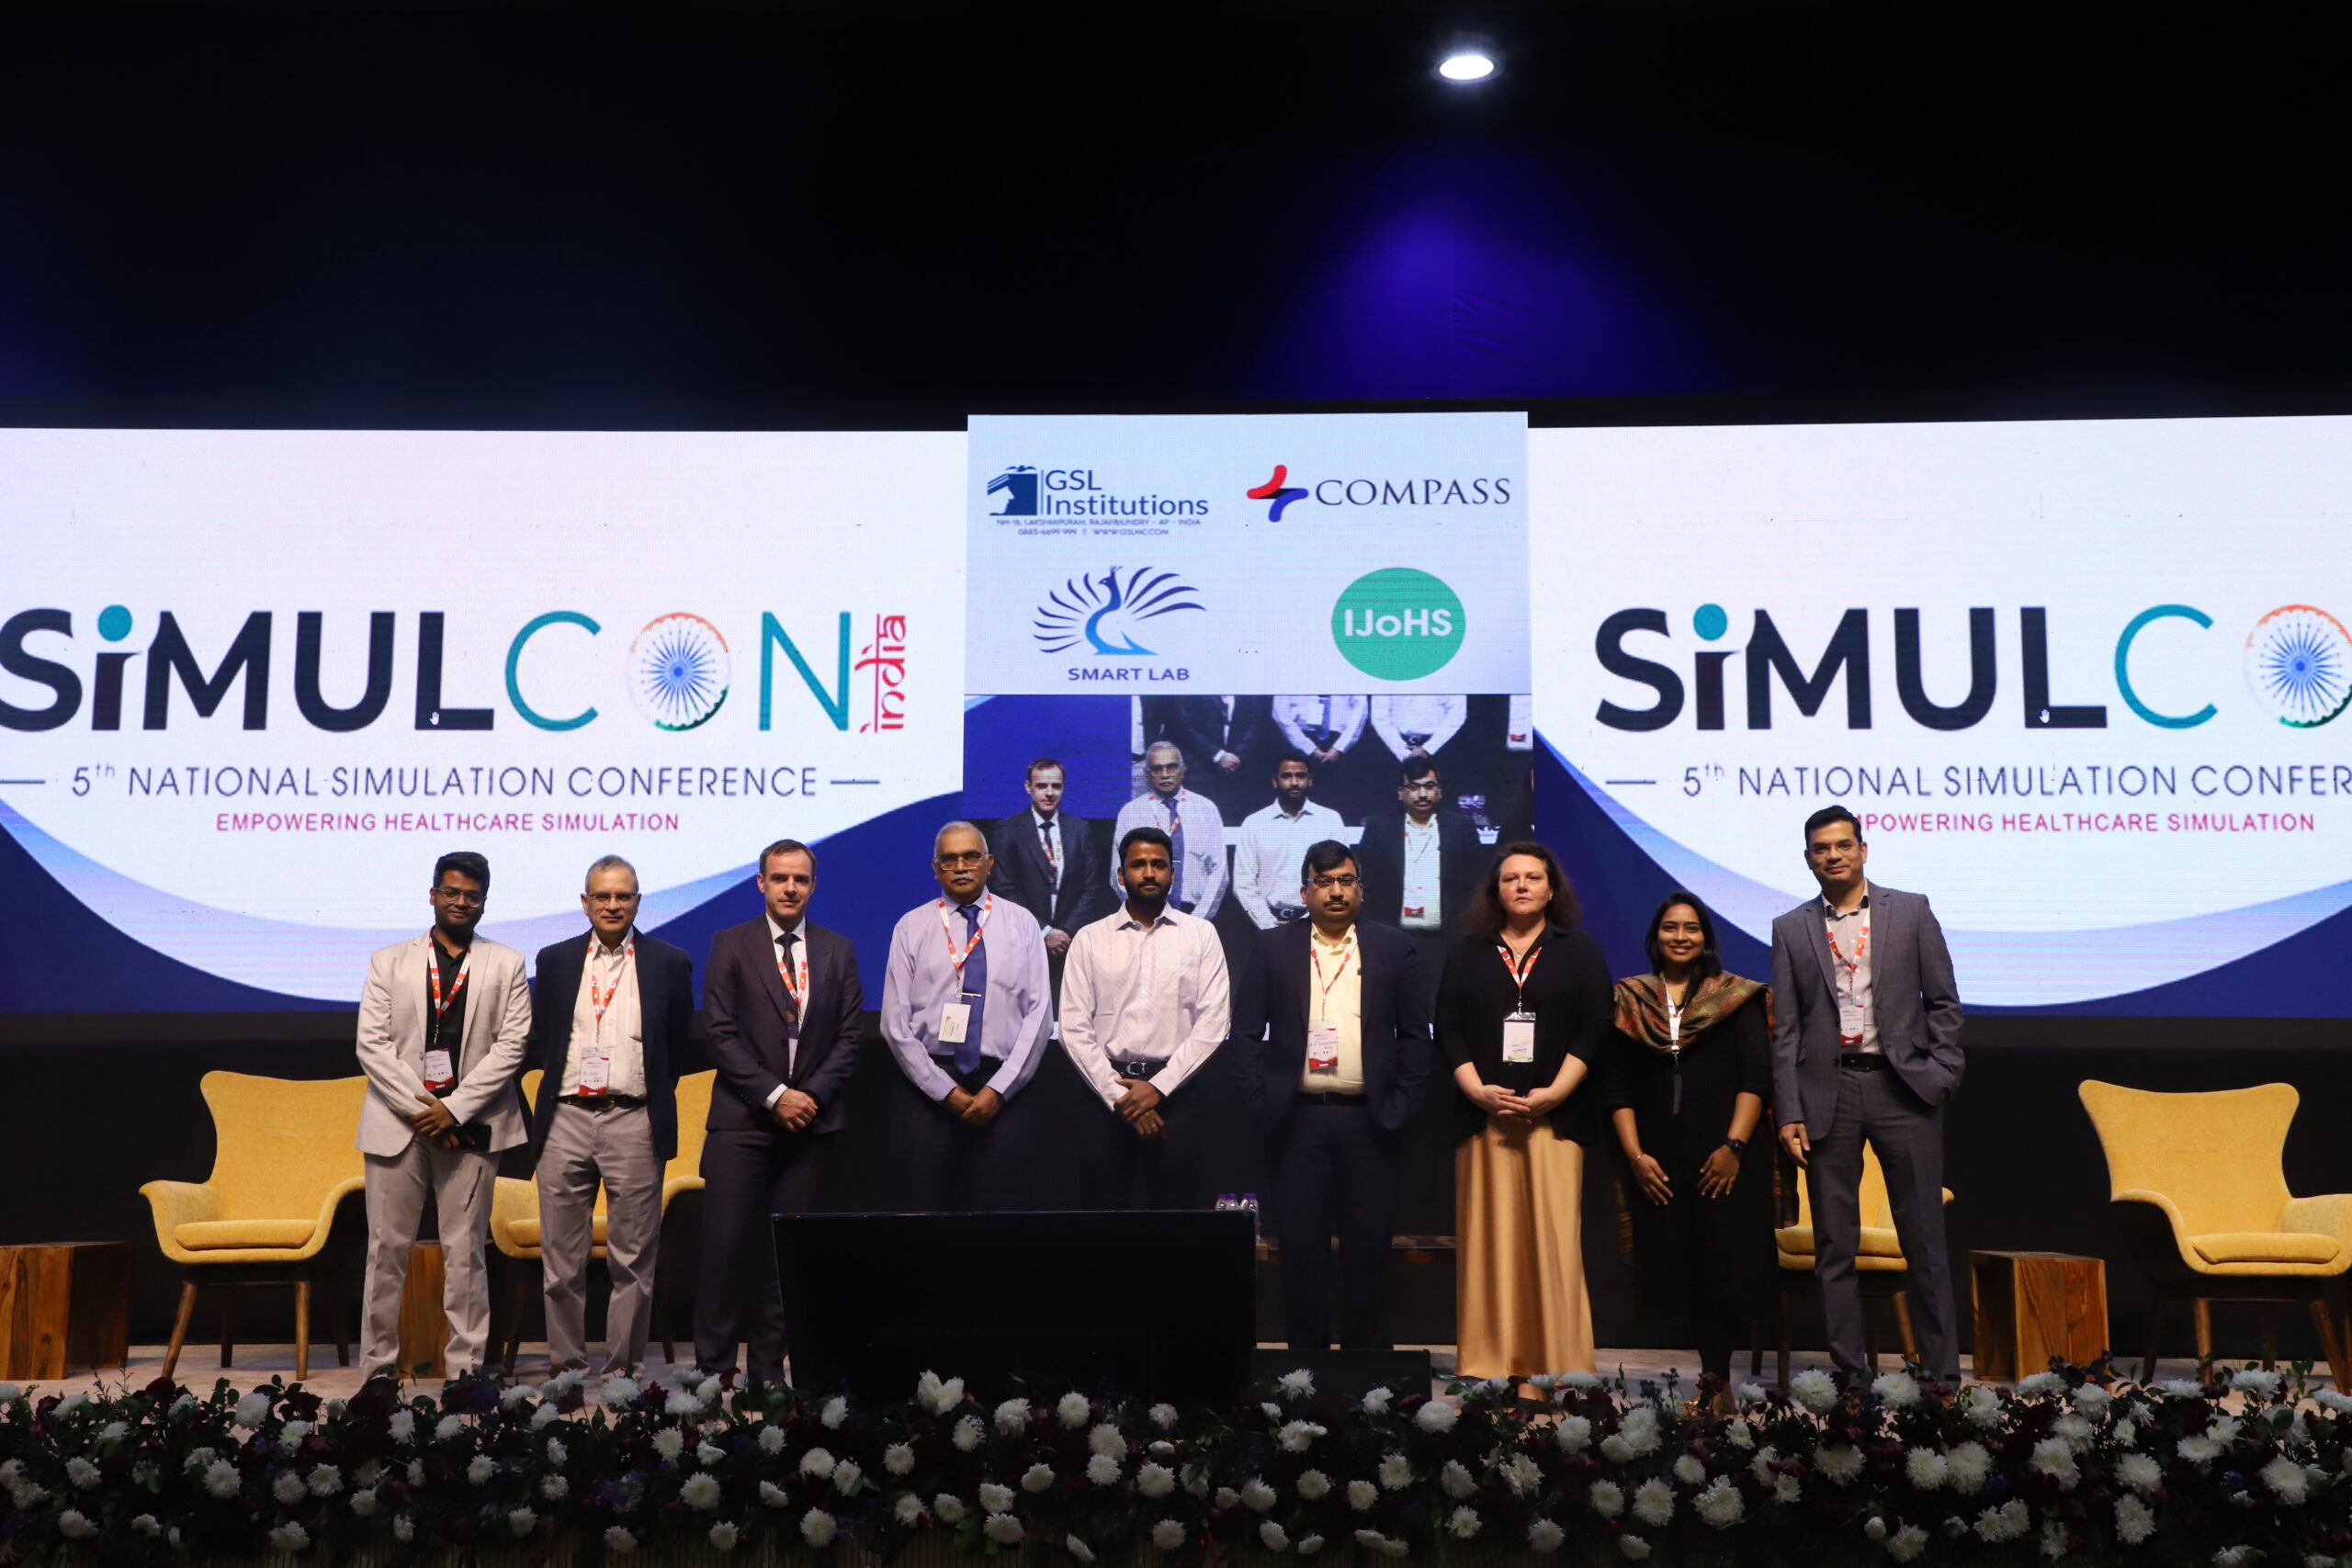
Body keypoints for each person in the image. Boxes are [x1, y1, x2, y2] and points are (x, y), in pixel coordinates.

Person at [1770, 805, 1965, 1379]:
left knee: (1924, 1241)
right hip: (1827, 1094)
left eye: (1842, 845)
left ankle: (1940, 1379)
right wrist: (1789, 1110)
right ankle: (1850, 1381)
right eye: (1821, 849)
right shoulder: (1790, 927)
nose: (1832, 855)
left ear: (1862, 849)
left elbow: (1944, 1003)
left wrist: (1943, 1073)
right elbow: (1786, 1030)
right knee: (1835, 1245)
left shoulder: (1910, 910)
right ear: (1809, 859)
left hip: (1903, 1088)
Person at [1233, 840, 1433, 1349]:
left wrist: (1401, 1105)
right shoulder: (1272, 947)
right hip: (1296, 1121)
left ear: (1361, 889)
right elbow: (1246, 1034)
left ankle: (1370, 1380)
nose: (1336, 891)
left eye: (1346, 880)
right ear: (1305, 892)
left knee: (1369, 1254)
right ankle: (1305, 1378)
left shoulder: (1393, 946)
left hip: (1370, 1120)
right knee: (1302, 1255)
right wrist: (1260, 1101)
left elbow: (1416, 1036)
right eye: (1323, 882)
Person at [352, 851, 531, 1381]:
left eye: (471, 895)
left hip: (472, 1125)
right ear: (433, 895)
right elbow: (371, 1045)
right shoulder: (388, 961)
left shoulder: (508, 962)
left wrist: (453, 1108)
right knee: (386, 1253)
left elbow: (513, 1045)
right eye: (451, 892)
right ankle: (377, 1373)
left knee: (467, 1253)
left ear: (484, 902)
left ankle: (466, 1375)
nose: (460, 902)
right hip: (398, 1126)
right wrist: (425, 1111)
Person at [1436, 840, 1611, 1379]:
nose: (1522, 886)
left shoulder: (1578, 950)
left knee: (1552, 1245)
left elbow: (1597, 1027)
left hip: (1553, 1118)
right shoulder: (1468, 952)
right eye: (1511, 878)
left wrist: (1556, 1092)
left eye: (1533, 877)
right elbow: (1448, 1028)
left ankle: (1558, 1368)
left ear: (1551, 889)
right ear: (1496, 889)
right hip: (1484, 1119)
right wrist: (1476, 1091)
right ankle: (1488, 1367)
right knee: (1490, 1246)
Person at [695, 839, 865, 1383]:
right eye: (780, 878)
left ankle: (768, 1377)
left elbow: (850, 1036)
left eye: (801, 879)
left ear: (813, 886)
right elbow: (719, 1034)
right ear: (761, 883)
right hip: (741, 1123)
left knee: (783, 1257)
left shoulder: (837, 949)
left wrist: (807, 1097)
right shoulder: (731, 944)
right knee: (725, 1251)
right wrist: (775, 1096)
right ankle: (712, 1376)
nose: (790, 888)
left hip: (811, 1126)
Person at [525, 855, 694, 1380]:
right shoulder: (555, 961)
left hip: (634, 1119)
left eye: (623, 896)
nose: (613, 905)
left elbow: (677, 1046)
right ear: (585, 902)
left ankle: (622, 1375)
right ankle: (567, 1374)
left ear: (638, 902)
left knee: (634, 1263)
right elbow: (544, 1039)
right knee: (561, 1263)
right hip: (566, 1118)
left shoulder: (669, 962)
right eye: (603, 896)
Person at [1600, 891, 1774, 1393]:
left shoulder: (1737, 997)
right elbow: (1616, 1088)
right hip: (1658, 1159)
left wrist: (1733, 1148)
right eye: (1670, 927)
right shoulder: (1631, 1000)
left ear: (1706, 937)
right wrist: (1636, 1157)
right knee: (1685, 1270)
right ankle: (1711, 1380)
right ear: (1656, 936)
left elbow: (1756, 1079)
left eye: (1691, 928)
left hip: (1726, 1155)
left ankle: (1717, 1384)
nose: (1680, 937)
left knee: (1724, 1268)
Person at [879, 821, 1054, 1212]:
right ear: (935, 869)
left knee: (1001, 1219)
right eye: (950, 859)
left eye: (971, 857)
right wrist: (944, 1091)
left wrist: (1000, 1089)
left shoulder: (1022, 923)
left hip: (1003, 1091)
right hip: (928, 1092)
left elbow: (1040, 1014)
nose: (961, 866)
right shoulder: (911, 927)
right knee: (923, 1216)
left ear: (989, 864)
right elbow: (893, 1022)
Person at [1059, 826, 1230, 1208]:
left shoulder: (1202, 935)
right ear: (1121, 875)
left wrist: (1158, 1088)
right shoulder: (1090, 938)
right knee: (1100, 1220)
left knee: (1176, 1225)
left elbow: (1213, 1024)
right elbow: (1073, 1028)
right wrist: (1121, 1097)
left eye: (1159, 864)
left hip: (1177, 1097)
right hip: (1104, 1098)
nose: (1149, 873)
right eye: (1138, 865)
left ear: (1173, 873)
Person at [1354, 758, 1487, 992]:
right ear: (1401, 792)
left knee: (1441, 1009)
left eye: (1429, 786)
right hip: (1392, 944)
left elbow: (1475, 886)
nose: (1422, 794)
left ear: (1440, 791)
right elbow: (1366, 889)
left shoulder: (1461, 827)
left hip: (1445, 943)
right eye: (1414, 787)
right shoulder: (1378, 828)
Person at [988, 757, 1112, 997]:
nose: (1049, 793)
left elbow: (1091, 887)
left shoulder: (1080, 829)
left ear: (1063, 788)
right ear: (1028, 787)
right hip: (1025, 944)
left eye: (1056, 786)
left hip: (1070, 944)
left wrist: (1065, 932)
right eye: (1041, 786)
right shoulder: (1007, 829)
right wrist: (1043, 932)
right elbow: (1003, 889)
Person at [1111, 742, 1227, 920]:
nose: (1165, 774)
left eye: (1171, 767)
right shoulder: (1131, 812)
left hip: (1194, 914)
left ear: (1183, 769)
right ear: (1147, 773)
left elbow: (1219, 872)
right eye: (1157, 769)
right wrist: (1144, 914)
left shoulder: (1205, 809)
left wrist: (1198, 921)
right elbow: (1118, 872)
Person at [1232, 750, 1346, 931]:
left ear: (1310, 780)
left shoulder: (1330, 820)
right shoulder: (1255, 823)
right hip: (1266, 925)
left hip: (1319, 925)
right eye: (1286, 776)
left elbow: (1339, 876)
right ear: (1275, 781)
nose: (1294, 782)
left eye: (1300, 776)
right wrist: (1268, 924)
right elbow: (1243, 882)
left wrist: (1310, 922)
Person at [1152, 695, 1275, 818]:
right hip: (1199, 768)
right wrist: (1218, 755)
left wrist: (1236, 754)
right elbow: (1183, 725)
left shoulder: (1248, 692)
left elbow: (1255, 722)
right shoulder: (1190, 692)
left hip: (1238, 769)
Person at [1272, 694, 1371, 819]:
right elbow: (1280, 713)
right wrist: (1309, 748)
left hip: (1342, 742)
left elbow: (1360, 710)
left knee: (1341, 804)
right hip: (1299, 739)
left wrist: (1340, 747)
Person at [1369, 694, 1466, 766]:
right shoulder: (1387, 675)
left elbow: (1457, 712)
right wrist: (1404, 753)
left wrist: (1429, 748)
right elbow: (1380, 717)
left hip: (1440, 749)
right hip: (1395, 749)